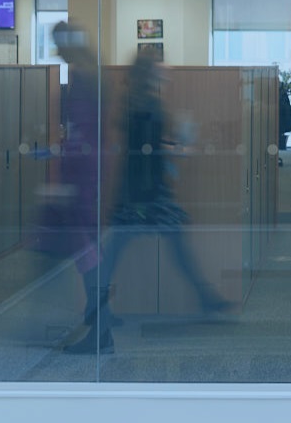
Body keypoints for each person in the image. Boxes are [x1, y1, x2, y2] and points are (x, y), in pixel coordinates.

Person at [66, 46, 234, 354]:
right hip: (143, 195)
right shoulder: (144, 103)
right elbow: (145, 152)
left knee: (142, 253)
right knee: (113, 258)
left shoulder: (138, 99)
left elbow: (144, 146)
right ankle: (99, 322)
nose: (167, 67)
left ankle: (101, 319)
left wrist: (167, 146)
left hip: (144, 191)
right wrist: (172, 150)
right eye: (161, 62)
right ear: (151, 68)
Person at [36, 22, 106, 344]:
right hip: (90, 171)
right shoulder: (94, 74)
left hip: (80, 174)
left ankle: (100, 330)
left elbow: (82, 134)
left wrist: (61, 163)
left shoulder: (81, 78)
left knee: (85, 251)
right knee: (89, 248)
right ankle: (100, 316)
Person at [278, 76, 291, 165]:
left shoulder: (280, 93)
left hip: (279, 122)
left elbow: (283, 108)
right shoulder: (281, 92)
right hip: (279, 122)